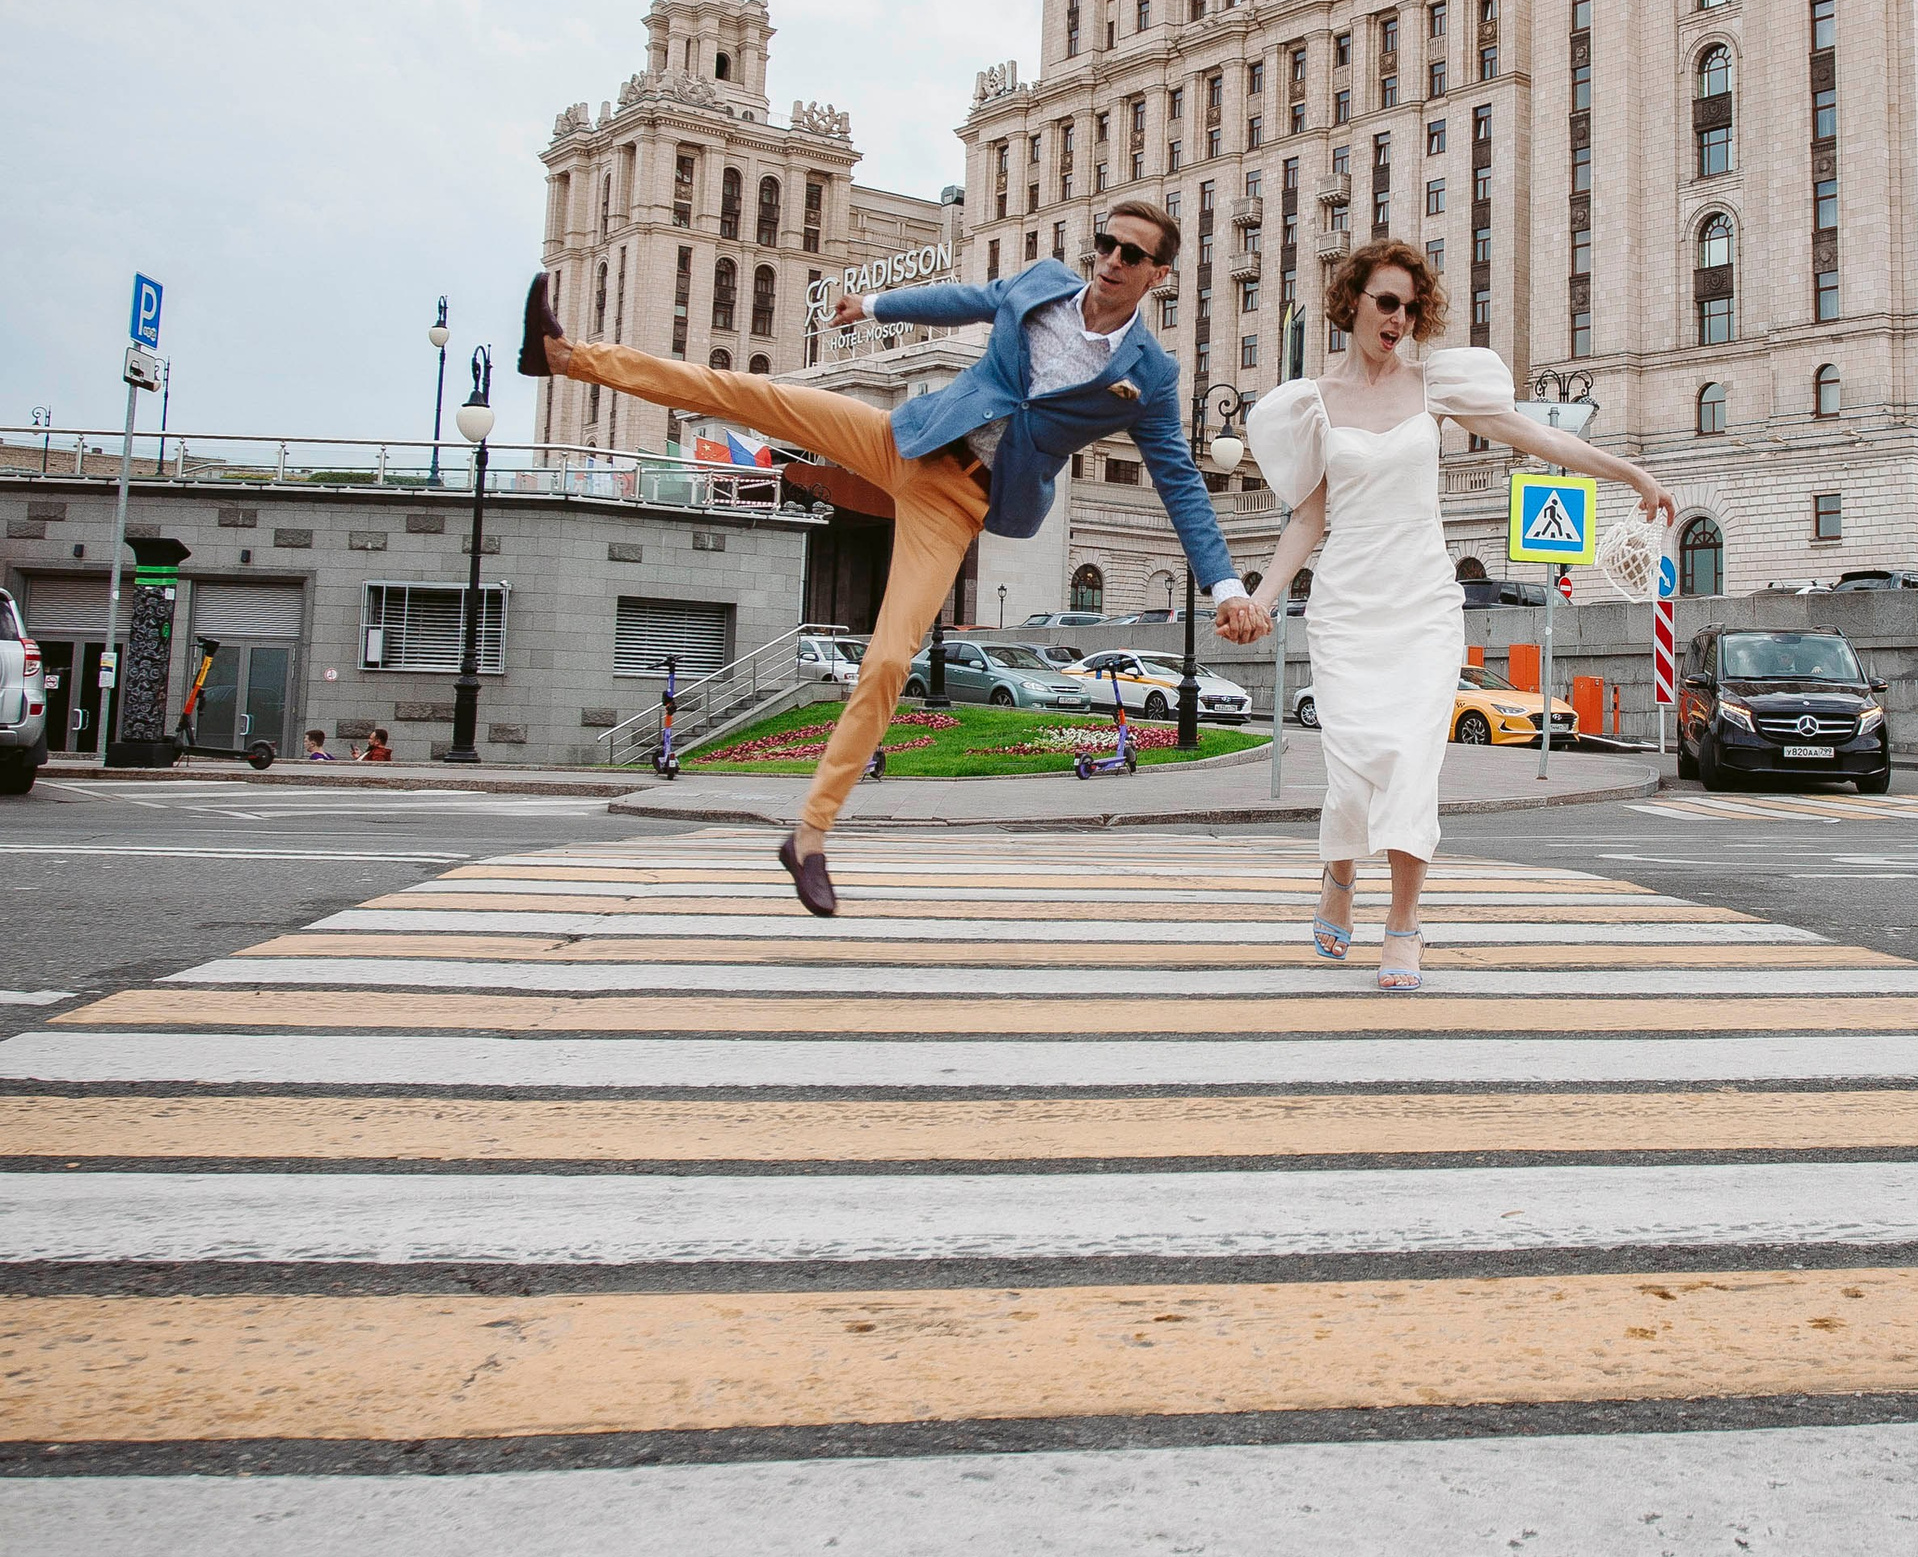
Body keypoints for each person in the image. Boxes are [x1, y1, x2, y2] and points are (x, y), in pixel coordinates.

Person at [520, 200, 1266, 916]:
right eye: (1105, 243)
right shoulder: (1043, 282)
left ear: (1158, 274)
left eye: (1130, 254)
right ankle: (564, 355)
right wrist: (875, 308)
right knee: (746, 394)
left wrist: (1227, 584)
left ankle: (809, 836)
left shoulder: (1151, 375)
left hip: (958, 502)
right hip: (904, 434)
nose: (1109, 260)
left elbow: (1179, 481)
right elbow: (965, 298)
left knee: (886, 659)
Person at [1238, 240, 1670, 992]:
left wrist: (1629, 470)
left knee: (1410, 760)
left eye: (1410, 305)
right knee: (1350, 764)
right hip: (1347, 603)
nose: (1399, 318)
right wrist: (1262, 598)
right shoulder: (1314, 401)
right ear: (1352, 303)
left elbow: (1537, 435)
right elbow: (1306, 520)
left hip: (1422, 600)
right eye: (1386, 301)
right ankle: (1338, 872)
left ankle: (1403, 923)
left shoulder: (1435, 384)